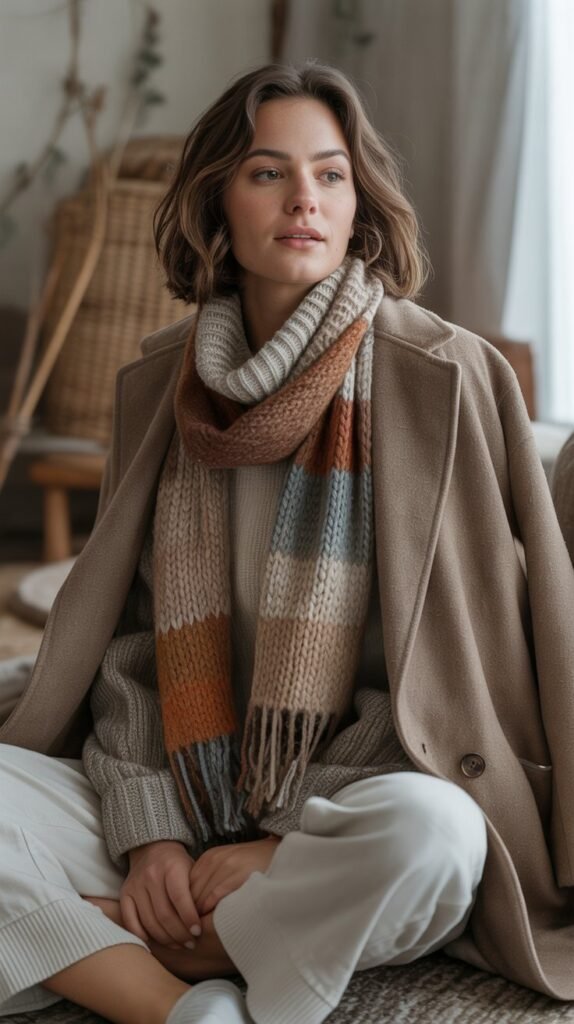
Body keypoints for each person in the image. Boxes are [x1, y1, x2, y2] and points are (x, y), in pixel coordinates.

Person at [1, 58, 574, 1024]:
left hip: (358, 815)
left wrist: (276, 845)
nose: (304, 198)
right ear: (217, 204)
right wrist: (152, 840)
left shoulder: (444, 376)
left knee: (437, 836)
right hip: (186, 800)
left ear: (361, 205)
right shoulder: (159, 386)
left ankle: (128, 944)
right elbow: (129, 652)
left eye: (331, 173)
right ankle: (182, 1008)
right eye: (268, 172)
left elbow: (459, 671)